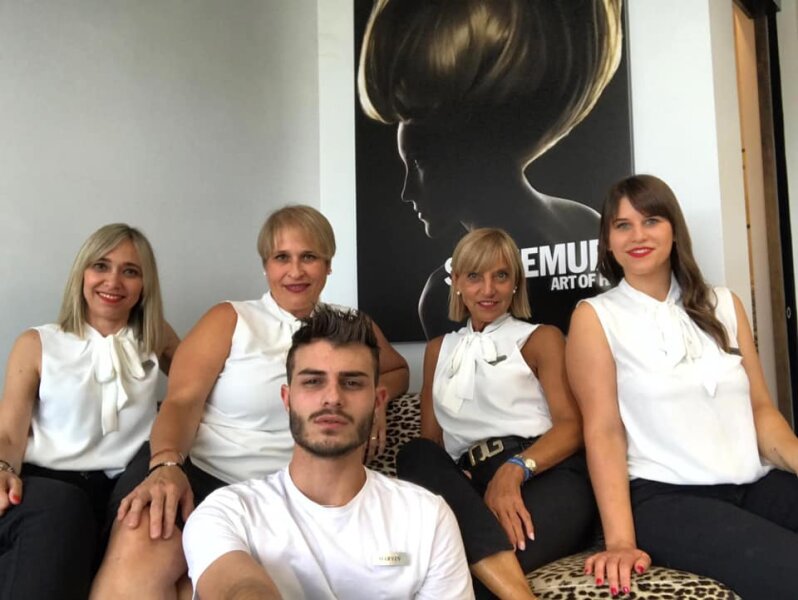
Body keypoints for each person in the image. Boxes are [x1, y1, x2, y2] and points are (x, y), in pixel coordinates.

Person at [91, 205, 409, 598]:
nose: (295, 271)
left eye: (309, 257)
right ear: (265, 266)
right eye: (282, 258)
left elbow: (397, 370)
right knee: (142, 532)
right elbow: (181, 402)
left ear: (328, 265)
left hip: (293, 497)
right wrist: (167, 465)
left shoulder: (350, 327)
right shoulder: (230, 319)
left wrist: (376, 402)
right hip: (203, 475)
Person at [566, 174, 798, 600]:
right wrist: (620, 540)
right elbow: (603, 430)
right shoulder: (595, 316)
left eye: (651, 220)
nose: (638, 235)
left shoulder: (724, 303)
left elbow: (761, 411)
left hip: (753, 483)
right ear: (608, 242)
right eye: (622, 225)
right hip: (665, 498)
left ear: (674, 230)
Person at [358, 0, 623, 338]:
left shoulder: (446, 294)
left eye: (419, 163)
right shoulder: (586, 222)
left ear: (467, 152)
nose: (407, 192)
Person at [182, 306, 473, 599]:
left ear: (377, 401)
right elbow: (240, 589)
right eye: (313, 381)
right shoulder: (228, 511)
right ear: (287, 399)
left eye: (352, 383)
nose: (332, 398)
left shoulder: (428, 517)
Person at [397, 229, 596, 600]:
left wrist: (514, 470)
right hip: (471, 487)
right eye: (475, 276)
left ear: (515, 283)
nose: (488, 289)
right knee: (415, 453)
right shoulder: (438, 349)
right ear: (457, 282)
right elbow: (432, 444)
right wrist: (458, 481)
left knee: (464, 582)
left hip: (543, 475)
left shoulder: (541, 338)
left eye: (501, 276)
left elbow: (572, 426)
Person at [0, 223, 178, 600]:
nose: (113, 281)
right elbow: (10, 432)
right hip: (49, 483)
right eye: (101, 266)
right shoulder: (37, 343)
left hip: (123, 483)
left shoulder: (155, 336)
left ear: (144, 285)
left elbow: (194, 390)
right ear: (82, 273)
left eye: (130, 271)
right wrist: (3, 468)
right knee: (62, 515)